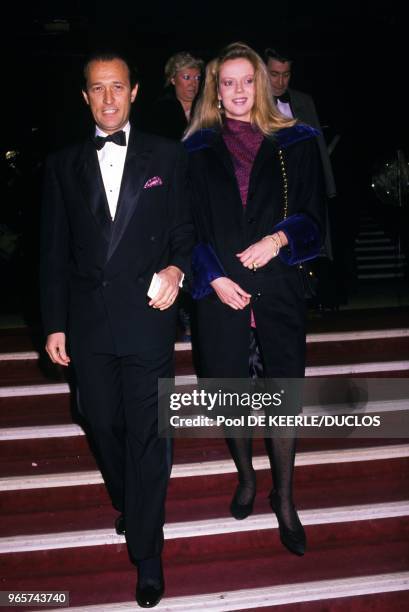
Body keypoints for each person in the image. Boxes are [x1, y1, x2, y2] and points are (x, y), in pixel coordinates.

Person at [41, 51, 194, 608]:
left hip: (149, 318)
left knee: (149, 434)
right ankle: (131, 500)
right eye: (97, 89)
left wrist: (177, 269)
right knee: (101, 421)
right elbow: (52, 254)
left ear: (134, 93)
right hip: (89, 324)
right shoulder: (61, 164)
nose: (108, 98)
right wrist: (54, 324)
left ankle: (147, 552)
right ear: (85, 96)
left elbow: (184, 233)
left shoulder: (167, 156)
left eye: (118, 87)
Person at [184, 42, 325, 557]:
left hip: (278, 288)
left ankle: (284, 499)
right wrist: (212, 277)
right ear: (215, 91)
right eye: (228, 82)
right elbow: (185, 230)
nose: (239, 91)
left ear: (261, 85)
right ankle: (246, 477)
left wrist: (277, 239)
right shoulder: (195, 150)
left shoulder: (298, 141)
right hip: (219, 291)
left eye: (248, 80)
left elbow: (314, 218)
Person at [145, 51, 203, 140]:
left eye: (197, 78)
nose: (193, 84)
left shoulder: (206, 107)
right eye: (187, 77)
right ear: (173, 79)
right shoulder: (161, 109)